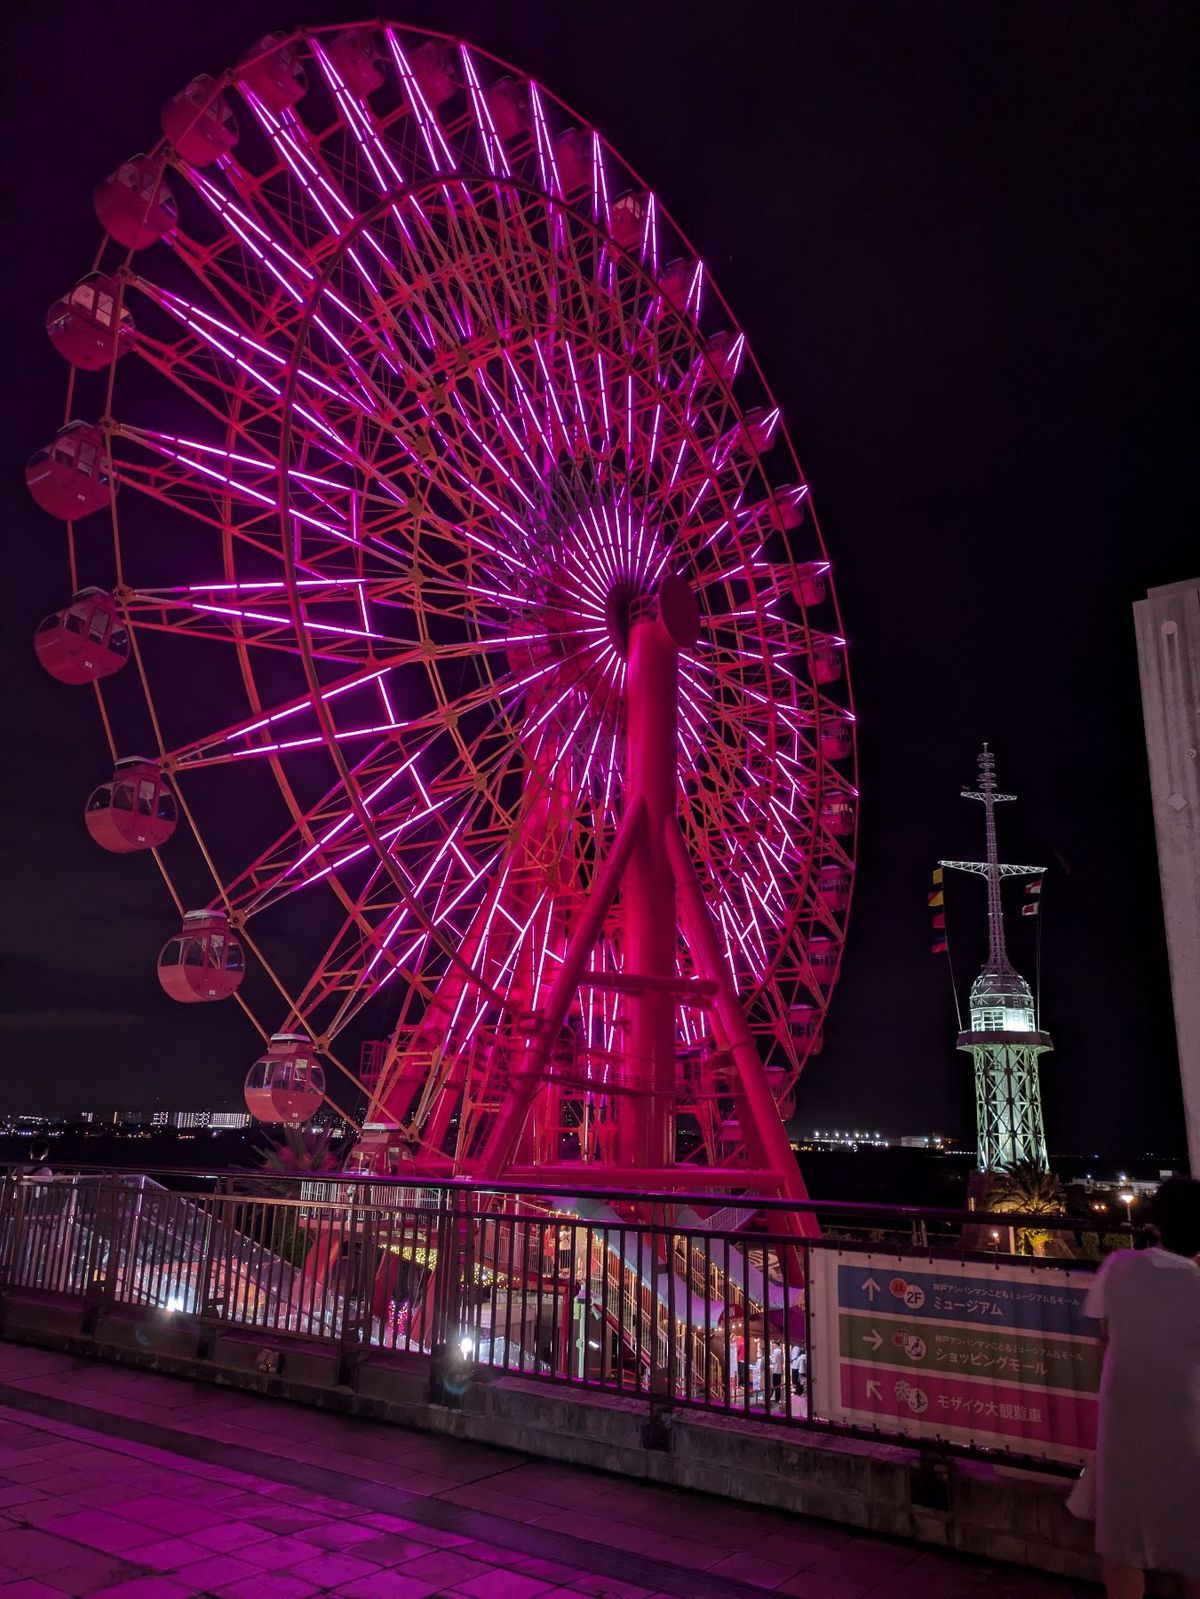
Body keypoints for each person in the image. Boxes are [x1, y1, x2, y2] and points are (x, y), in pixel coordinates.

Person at [1069, 1176, 1200, 1599]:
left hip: (1123, 1427)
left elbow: (1104, 1341)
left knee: (1121, 1550)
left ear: (1155, 1223)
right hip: (1187, 1429)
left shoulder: (1118, 1268)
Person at [769, 1340, 784, 1404]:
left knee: (774, 1384)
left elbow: (774, 1361)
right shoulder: (781, 1351)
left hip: (775, 1370)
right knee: (778, 1385)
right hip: (779, 1370)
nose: (772, 1345)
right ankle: (777, 1398)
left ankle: (771, 1397)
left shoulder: (775, 1351)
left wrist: (770, 1357)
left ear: (776, 1344)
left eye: (773, 1343)